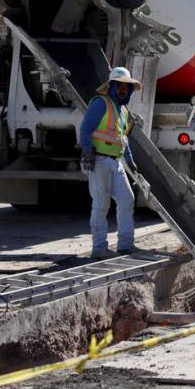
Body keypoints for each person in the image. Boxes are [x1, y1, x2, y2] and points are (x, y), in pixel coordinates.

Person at [79, 67, 141, 259]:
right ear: (112, 86)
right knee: (101, 204)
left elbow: (123, 139)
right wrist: (88, 154)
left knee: (127, 200)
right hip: (98, 161)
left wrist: (130, 162)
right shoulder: (100, 104)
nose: (123, 89)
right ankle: (99, 249)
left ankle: (125, 245)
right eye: (120, 85)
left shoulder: (122, 110)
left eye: (126, 86)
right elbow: (85, 130)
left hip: (115, 162)